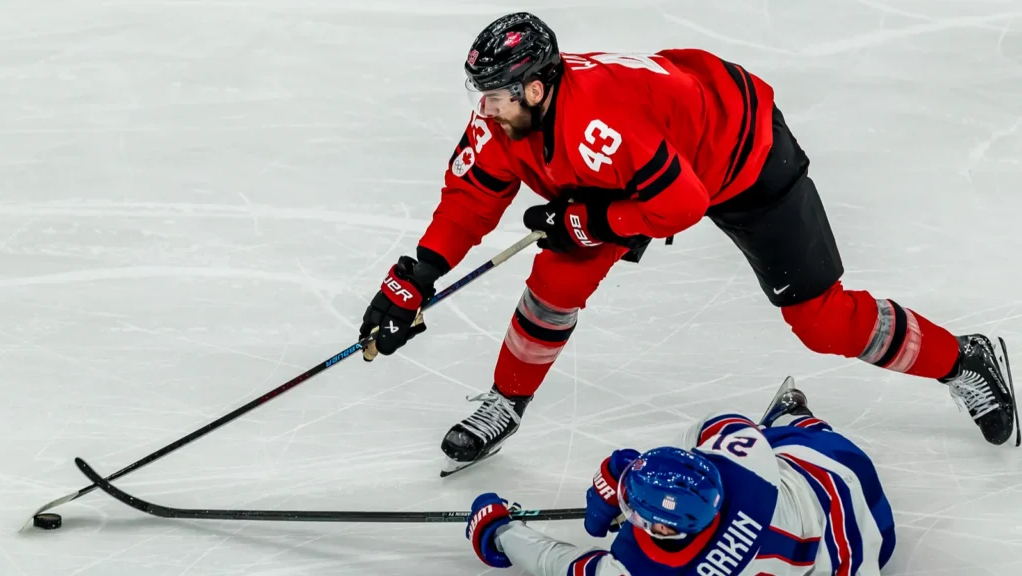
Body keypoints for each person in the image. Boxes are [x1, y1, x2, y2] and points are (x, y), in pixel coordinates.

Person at [357, 11, 1018, 475]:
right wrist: (416, 274)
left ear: (535, 86)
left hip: (742, 153)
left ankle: (962, 360)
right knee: (555, 282)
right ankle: (507, 400)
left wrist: (588, 223)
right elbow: (470, 197)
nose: (484, 110)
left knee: (822, 321)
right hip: (644, 169)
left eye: (495, 97)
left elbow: (680, 205)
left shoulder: (599, 124)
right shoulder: (510, 123)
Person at [465, 379, 897, 575]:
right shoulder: (747, 465)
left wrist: (499, 532)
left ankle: (796, 419)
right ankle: (796, 420)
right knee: (790, 447)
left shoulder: (649, 571)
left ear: (664, 528)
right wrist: (628, 479)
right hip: (854, 502)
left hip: (846, 495)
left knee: (784, 438)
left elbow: (559, 563)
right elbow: (714, 437)